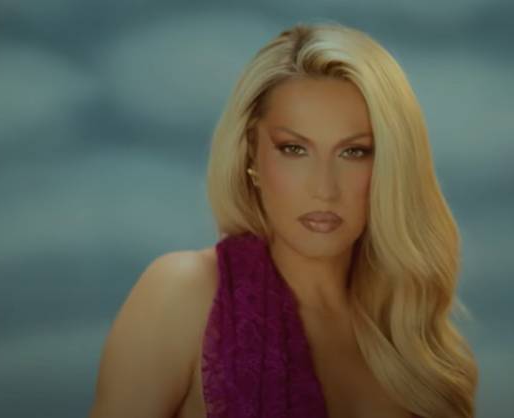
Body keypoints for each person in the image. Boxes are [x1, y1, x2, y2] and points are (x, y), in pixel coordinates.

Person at [88, 20, 478, 418]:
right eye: (294, 149)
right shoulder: (183, 292)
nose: (324, 189)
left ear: (392, 167)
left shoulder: (415, 342)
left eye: (354, 152)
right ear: (251, 153)